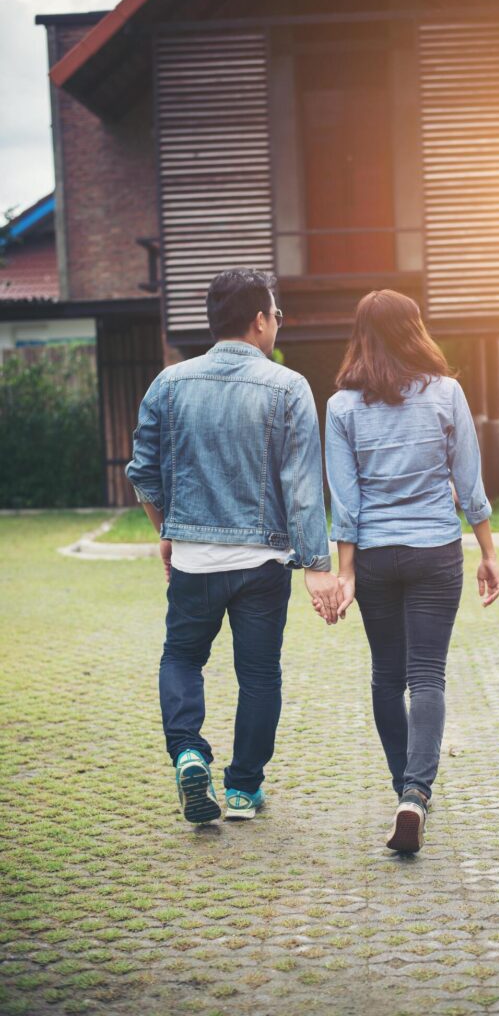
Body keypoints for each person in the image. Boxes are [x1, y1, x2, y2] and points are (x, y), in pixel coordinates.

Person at [126, 268, 342, 825]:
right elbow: (300, 484)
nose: (277, 325)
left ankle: (189, 753)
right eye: (276, 315)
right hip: (263, 563)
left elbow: (144, 474)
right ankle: (244, 789)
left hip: (195, 559)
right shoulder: (288, 386)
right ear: (259, 320)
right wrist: (318, 566)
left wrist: (167, 532)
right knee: (259, 674)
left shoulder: (168, 384)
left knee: (181, 658)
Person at [318, 289, 499, 854]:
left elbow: (344, 501)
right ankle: (415, 795)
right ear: (415, 330)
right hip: (435, 551)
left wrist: (345, 571)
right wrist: (489, 552)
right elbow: (468, 483)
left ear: (361, 334)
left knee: (385, 675)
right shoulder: (446, 394)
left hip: (375, 555)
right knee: (427, 675)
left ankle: (405, 787)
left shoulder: (343, 406)